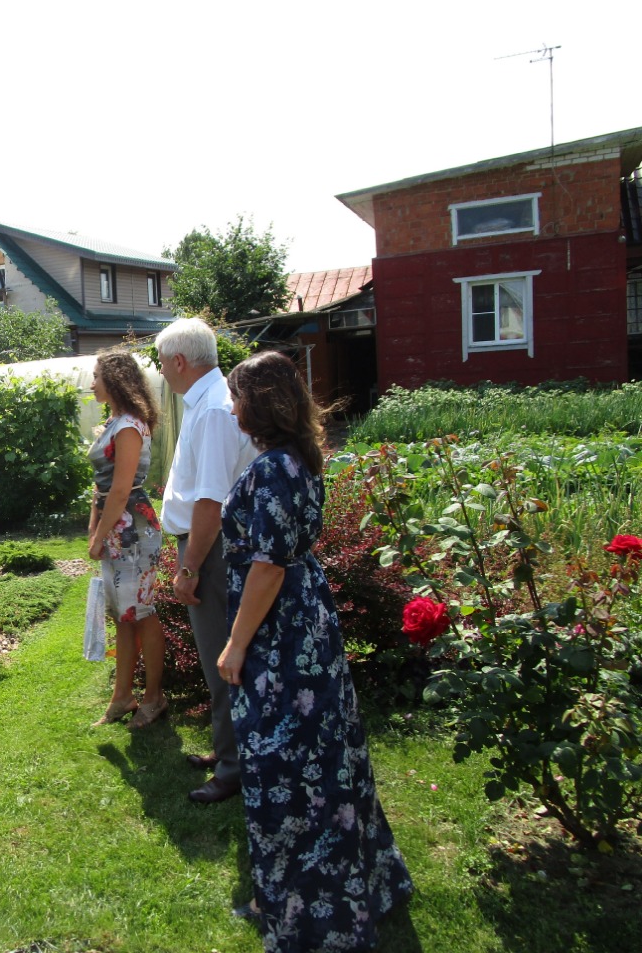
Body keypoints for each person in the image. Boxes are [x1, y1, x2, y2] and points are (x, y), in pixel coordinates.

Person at [217, 351, 413, 950]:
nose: (231, 407)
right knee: (329, 757)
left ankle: (310, 910)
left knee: (288, 767)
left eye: (237, 396)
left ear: (259, 403)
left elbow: (269, 567)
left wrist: (233, 646)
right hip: (307, 626)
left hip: (281, 640)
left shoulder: (275, 469)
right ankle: (359, 885)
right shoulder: (296, 457)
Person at [156, 318, 259, 804]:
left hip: (211, 550)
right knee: (215, 653)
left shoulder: (214, 410)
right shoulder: (209, 403)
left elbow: (211, 502)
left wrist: (190, 566)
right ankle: (226, 751)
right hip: (206, 546)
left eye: (162, 362)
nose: (161, 371)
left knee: (223, 656)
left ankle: (236, 767)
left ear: (180, 361)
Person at [87, 348, 167, 728]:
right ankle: (122, 697)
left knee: (143, 614)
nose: (91, 384)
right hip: (115, 525)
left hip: (133, 529)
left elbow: (121, 491)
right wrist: (94, 526)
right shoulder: (115, 421)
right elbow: (101, 488)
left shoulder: (132, 426)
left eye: (96, 376)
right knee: (124, 615)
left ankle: (154, 698)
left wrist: (100, 535)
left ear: (114, 380)